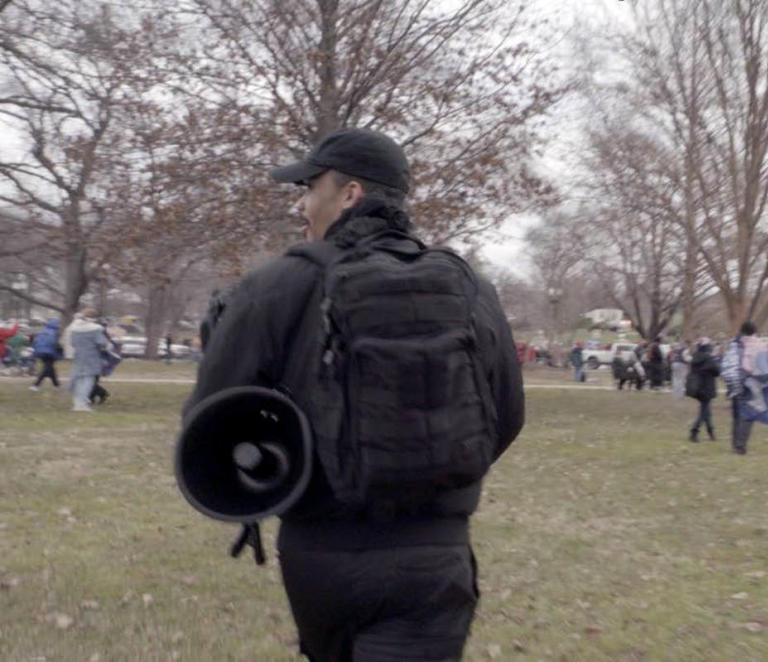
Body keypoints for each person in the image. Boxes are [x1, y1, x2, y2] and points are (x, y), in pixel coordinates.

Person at [184, 128, 524, 661]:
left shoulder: (274, 286)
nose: (300, 204)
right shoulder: (469, 288)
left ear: (350, 194)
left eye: (309, 187)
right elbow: (506, 415)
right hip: (434, 556)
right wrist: (439, 473)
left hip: (321, 554)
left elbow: (208, 420)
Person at [721, 321, 768, 455]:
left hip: (735, 382)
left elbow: (726, 363)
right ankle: (740, 445)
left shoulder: (734, 344)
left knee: (736, 414)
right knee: (748, 415)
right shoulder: (759, 345)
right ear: (755, 331)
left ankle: (735, 443)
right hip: (751, 382)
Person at [63, 309, 111, 412]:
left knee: (78, 380)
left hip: (78, 357)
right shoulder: (96, 329)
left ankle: (77, 403)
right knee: (88, 381)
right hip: (92, 357)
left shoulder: (74, 329)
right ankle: (82, 404)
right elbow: (102, 343)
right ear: (95, 318)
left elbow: (72, 343)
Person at [686, 339, 719, 442]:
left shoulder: (695, 357)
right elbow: (717, 371)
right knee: (704, 412)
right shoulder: (708, 358)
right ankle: (694, 431)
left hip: (696, 387)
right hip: (706, 387)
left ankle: (711, 433)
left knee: (706, 410)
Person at [29, 318, 61, 391]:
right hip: (49, 352)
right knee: (47, 368)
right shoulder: (55, 332)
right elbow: (55, 344)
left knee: (50, 368)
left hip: (40, 351)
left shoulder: (42, 331)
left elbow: (35, 341)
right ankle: (35, 385)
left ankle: (56, 385)